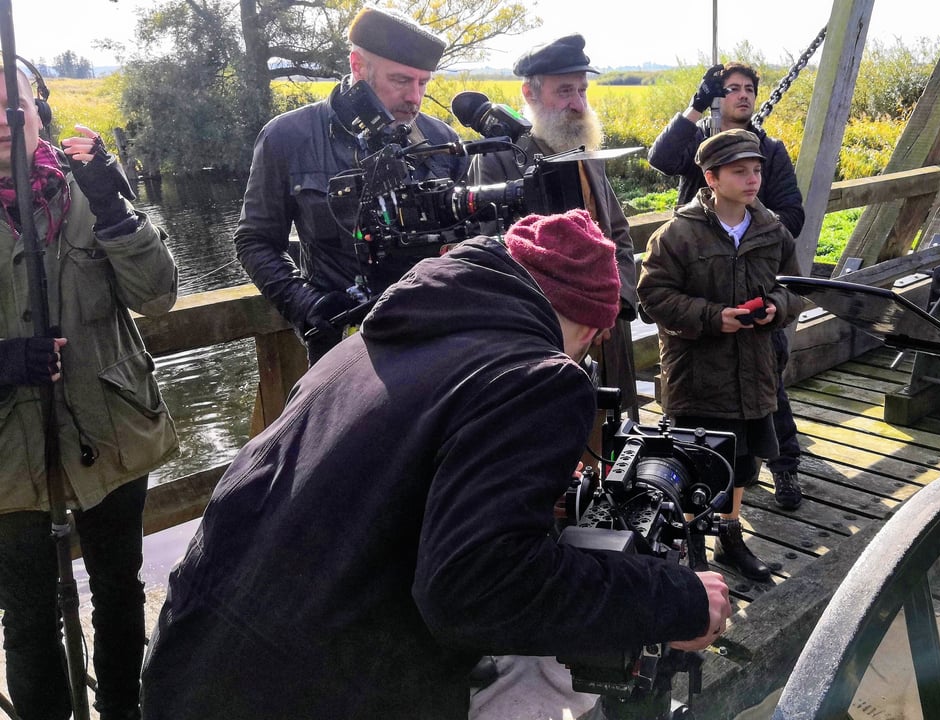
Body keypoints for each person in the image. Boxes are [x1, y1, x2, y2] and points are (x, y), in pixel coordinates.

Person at [140, 210, 731, 720]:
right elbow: (474, 590)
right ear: (595, 324)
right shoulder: (538, 377)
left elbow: (375, 491)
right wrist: (671, 600)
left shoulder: (366, 343)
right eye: (594, 339)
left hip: (189, 663)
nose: (585, 353)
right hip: (316, 694)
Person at [0, 68, 178, 720]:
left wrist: (114, 206)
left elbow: (157, 296)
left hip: (110, 430)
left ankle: (124, 710)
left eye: (13, 103)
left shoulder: (93, 185)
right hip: (8, 453)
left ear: (39, 109)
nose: (2, 119)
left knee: (119, 590)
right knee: (27, 616)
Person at [234, 5, 468, 365]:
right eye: (401, 80)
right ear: (358, 66)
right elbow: (255, 240)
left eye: (423, 83)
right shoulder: (287, 136)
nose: (415, 98)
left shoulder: (442, 140)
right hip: (342, 349)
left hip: (437, 343)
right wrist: (306, 304)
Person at [638, 129, 803, 583]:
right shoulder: (676, 235)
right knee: (697, 467)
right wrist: (713, 317)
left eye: (756, 171)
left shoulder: (773, 231)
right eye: (739, 171)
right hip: (698, 377)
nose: (752, 180)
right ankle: (693, 547)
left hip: (754, 373)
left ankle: (730, 539)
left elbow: (794, 287)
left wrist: (777, 307)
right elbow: (653, 296)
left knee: (743, 465)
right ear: (710, 178)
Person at [648, 62, 808, 510]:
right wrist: (696, 106)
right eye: (731, 88)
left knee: (768, 391)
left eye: (749, 89)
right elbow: (661, 159)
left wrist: (758, 233)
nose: (742, 95)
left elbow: (792, 213)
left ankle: (784, 468)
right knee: (699, 424)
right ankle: (707, 512)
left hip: (755, 291)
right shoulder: (699, 144)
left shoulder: (769, 150)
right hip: (702, 288)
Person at [469, 33, 639, 417]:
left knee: (614, 435)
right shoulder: (500, 158)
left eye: (582, 90)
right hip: (546, 343)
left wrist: (615, 304)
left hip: (609, 336)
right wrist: (575, 316)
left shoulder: (587, 151)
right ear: (529, 93)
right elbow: (495, 253)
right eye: (564, 91)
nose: (578, 104)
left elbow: (619, 234)